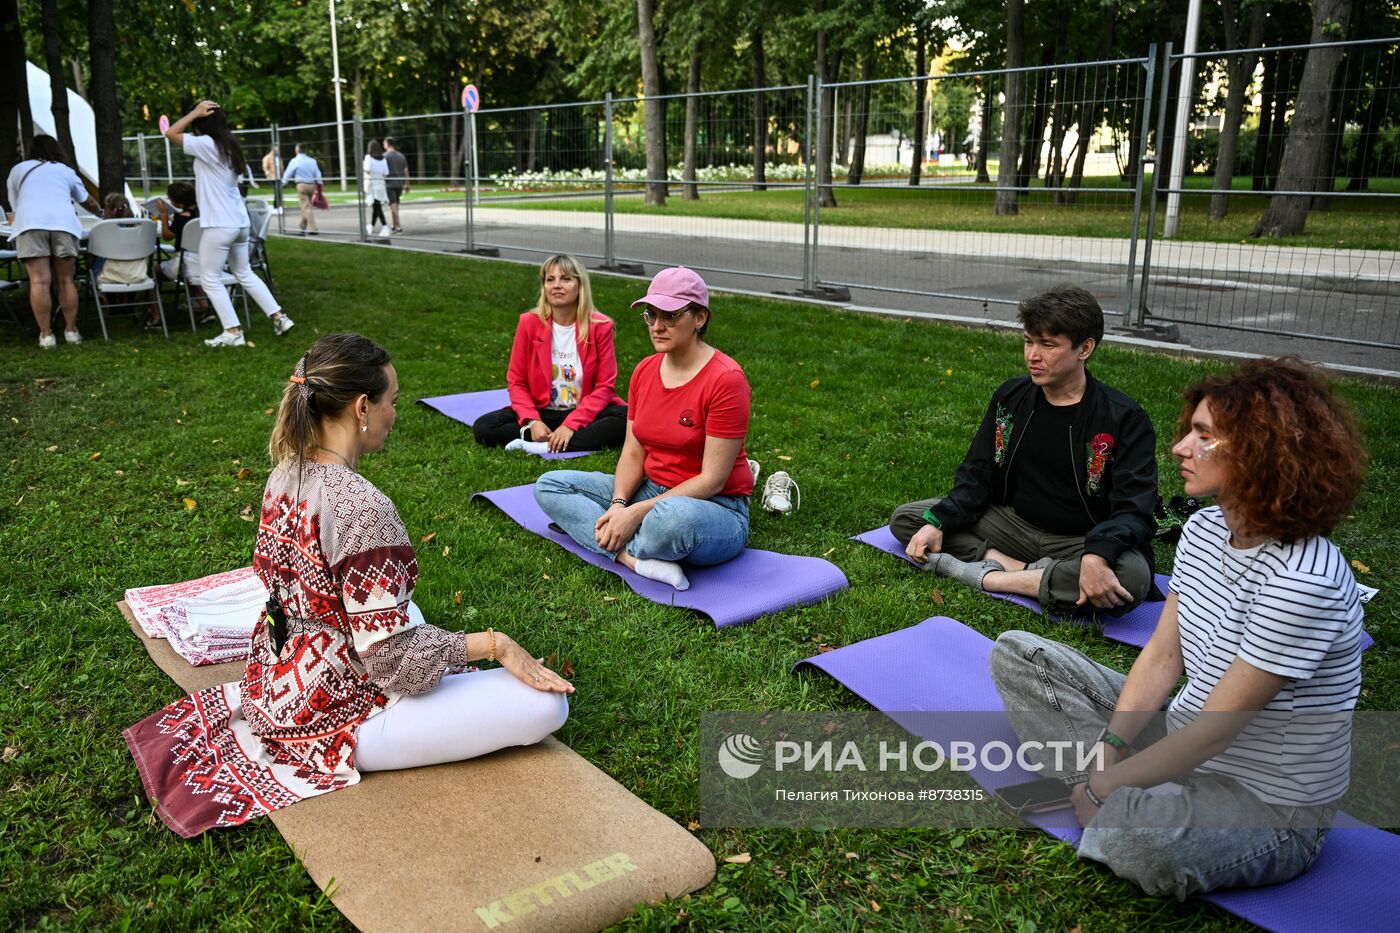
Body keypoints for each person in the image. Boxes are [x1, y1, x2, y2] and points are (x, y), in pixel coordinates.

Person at [124, 333, 573, 838]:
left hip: (281, 680)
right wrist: (496, 645)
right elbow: (387, 659)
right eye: (392, 402)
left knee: (412, 616)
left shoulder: (285, 473)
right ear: (362, 406)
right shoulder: (362, 509)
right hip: (338, 711)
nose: (394, 414)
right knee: (547, 706)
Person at [989, 357, 1367, 899]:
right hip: (1182, 730)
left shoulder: (1305, 582)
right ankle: (1117, 792)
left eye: (1204, 435)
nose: (1180, 448)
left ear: (1264, 453)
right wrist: (1111, 750)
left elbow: (1216, 731)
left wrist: (1103, 782)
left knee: (1145, 842)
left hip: (1265, 800)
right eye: (1191, 430)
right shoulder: (1204, 528)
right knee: (1019, 654)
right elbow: (1164, 658)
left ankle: (1115, 801)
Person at [889, 285, 1159, 615]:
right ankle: (1019, 568)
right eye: (1029, 341)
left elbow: (1135, 508)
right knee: (909, 519)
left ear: (1085, 348)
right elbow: (978, 472)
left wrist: (1097, 554)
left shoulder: (1123, 418)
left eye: (1048, 345)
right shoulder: (1011, 398)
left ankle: (993, 579)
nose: (1032, 355)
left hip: (1080, 539)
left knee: (1131, 578)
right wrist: (939, 522)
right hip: (1012, 525)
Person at [534, 267, 754, 592]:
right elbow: (633, 451)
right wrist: (619, 505)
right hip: (650, 489)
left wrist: (636, 513)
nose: (657, 326)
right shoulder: (644, 371)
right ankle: (632, 558)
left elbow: (713, 479)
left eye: (670, 315)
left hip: (714, 505)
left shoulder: (726, 380)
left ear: (700, 318)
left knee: (671, 522)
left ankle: (611, 537)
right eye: (651, 315)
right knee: (549, 485)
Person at [164, 100, 294, 347]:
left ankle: (233, 332)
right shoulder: (230, 146)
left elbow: (170, 133)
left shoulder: (206, 144)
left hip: (219, 223)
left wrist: (193, 112)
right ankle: (280, 317)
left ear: (202, 121)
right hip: (239, 222)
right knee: (244, 272)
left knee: (209, 278)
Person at [472, 255, 627, 453]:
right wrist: (533, 420)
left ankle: (540, 446)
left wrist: (571, 425)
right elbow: (516, 381)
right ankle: (553, 439)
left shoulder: (601, 327)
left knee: (628, 418)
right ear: (544, 286)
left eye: (566, 279)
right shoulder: (529, 323)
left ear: (580, 285)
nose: (557, 285)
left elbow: (605, 387)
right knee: (485, 426)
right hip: (542, 412)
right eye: (550, 279)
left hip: (584, 412)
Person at [4, 134, 101, 348]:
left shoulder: (18, 170)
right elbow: (87, 201)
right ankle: (71, 331)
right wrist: (100, 212)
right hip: (63, 224)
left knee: (39, 282)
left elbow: (14, 207)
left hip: (31, 224)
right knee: (65, 280)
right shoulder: (66, 171)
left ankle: (46, 335)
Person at [281, 143, 323, 235]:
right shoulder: (312, 161)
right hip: (312, 185)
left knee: (306, 207)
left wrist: (284, 182)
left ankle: (314, 228)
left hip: (302, 185)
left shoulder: (295, 160)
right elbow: (317, 173)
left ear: (297, 150)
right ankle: (302, 225)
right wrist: (319, 183)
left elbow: (288, 172)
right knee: (307, 206)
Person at [363, 140, 389, 237]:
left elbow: (367, 170)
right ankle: (371, 226)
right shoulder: (384, 159)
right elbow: (386, 173)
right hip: (381, 184)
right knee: (376, 207)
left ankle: (385, 226)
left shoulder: (368, 157)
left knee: (377, 208)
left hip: (372, 185)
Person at [383, 137, 410, 234]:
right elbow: (406, 170)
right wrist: (407, 184)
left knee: (393, 205)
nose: (383, 145)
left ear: (388, 144)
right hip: (399, 184)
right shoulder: (401, 156)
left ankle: (398, 226)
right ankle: (394, 225)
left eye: (384, 143)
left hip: (389, 184)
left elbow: (382, 171)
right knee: (395, 205)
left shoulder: (384, 156)